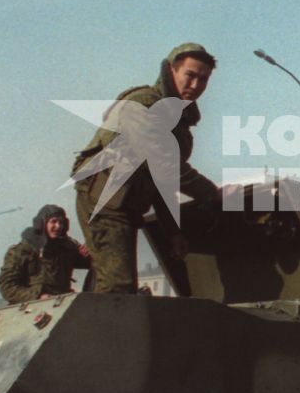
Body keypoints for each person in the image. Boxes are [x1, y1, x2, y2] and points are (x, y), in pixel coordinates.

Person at [72, 44, 222, 294]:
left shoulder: (179, 121)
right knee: (118, 287)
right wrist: (211, 193)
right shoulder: (143, 103)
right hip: (105, 201)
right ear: (172, 70)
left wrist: (173, 232)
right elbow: (163, 164)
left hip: (124, 204)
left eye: (203, 79)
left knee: (109, 282)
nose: (196, 85)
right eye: (190, 75)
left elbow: (162, 184)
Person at [0, 205, 92, 304]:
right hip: (32, 306)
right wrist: (38, 296)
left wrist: (92, 249)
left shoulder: (67, 247)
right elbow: (8, 288)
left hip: (63, 302)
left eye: (61, 222)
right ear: (42, 223)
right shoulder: (21, 252)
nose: (58, 226)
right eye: (54, 221)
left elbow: (94, 263)